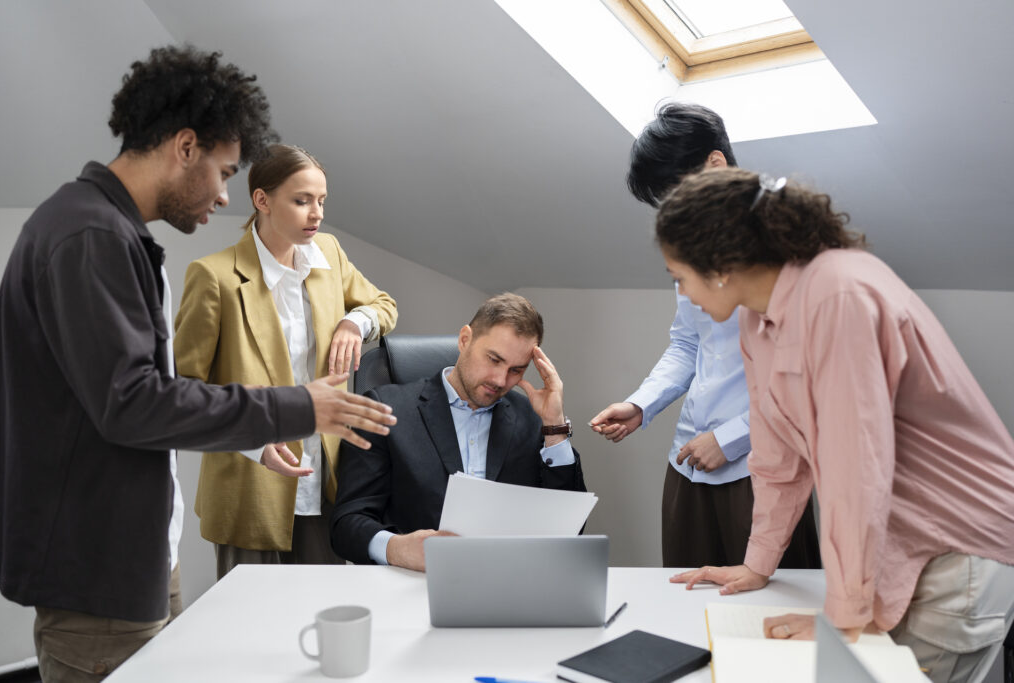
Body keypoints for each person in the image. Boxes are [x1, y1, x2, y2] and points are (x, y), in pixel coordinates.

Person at [0, 46, 396, 683]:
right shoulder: (90, 237)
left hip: (134, 550)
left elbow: (143, 392)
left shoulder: (103, 228)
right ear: (185, 147)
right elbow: (135, 403)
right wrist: (300, 405)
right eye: (225, 171)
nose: (226, 194)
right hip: (97, 565)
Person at [661, 168, 1014, 683]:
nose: (682, 294)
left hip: (954, 551)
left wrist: (844, 623)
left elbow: (856, 470)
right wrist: (757, 564)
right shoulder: (756, 320)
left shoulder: (837, 293)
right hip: (893, 548)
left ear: (720, 267)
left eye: (678, 276)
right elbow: (777, 458)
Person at [589, 103, 819, 569]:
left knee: (767, 613)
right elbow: (688, 344)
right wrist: (641, 404)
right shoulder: (691, 246)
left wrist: (731, 439)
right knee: (687, 603)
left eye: (675, 192)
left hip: (759, 461)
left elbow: (809, 375)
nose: (674, 210)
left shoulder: (785, 241)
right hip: (688, 459)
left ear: (714, 164)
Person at [174, 143, 398, 579]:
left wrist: (356, 322)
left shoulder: (329, 254)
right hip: (249, 485)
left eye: (321, 201)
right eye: (301, 201)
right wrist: (255, 441)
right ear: (262, 200)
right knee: (254, 632)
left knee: (324, 620)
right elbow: (185, 390)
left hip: (325, 475)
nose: (316, 213)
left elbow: (384, 305)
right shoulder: (214, 277)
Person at [331, 293, 587, 571]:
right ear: (465, 339)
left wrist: (555, 426)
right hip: (414, 587)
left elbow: (570, 531)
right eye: (493, 359)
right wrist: (396, 548)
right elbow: (346, 524)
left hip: (508, 586)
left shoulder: (533, 418)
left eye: (516, 370)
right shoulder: (384, 409)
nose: (501, 380)